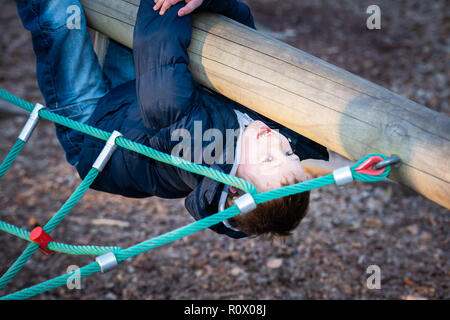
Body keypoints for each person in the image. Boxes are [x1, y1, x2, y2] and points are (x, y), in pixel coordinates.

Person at [16, 0, 328, 239]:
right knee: (130, 16)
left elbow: (159, 51)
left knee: (60, 19)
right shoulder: (259, 133)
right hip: (133, 106)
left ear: (234, 187)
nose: (278, 142)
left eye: (270, 160)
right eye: (290, 154)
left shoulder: (196, 144)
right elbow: (244, 41)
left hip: (94, 142)